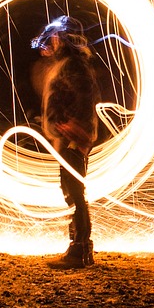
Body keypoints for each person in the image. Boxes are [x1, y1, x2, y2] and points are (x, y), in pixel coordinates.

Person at [30, 15, 101, 269]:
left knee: (75, 191)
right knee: (69, 190)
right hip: (67, 135)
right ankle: (79, 247)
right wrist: (47, 119)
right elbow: (61, 94)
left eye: (58, 37)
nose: (54, 41)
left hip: (74, 137)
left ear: (65, 39)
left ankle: (80, 250)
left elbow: (83, 96)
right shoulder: (68, 63)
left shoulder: (75, 65)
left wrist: (75, 125)